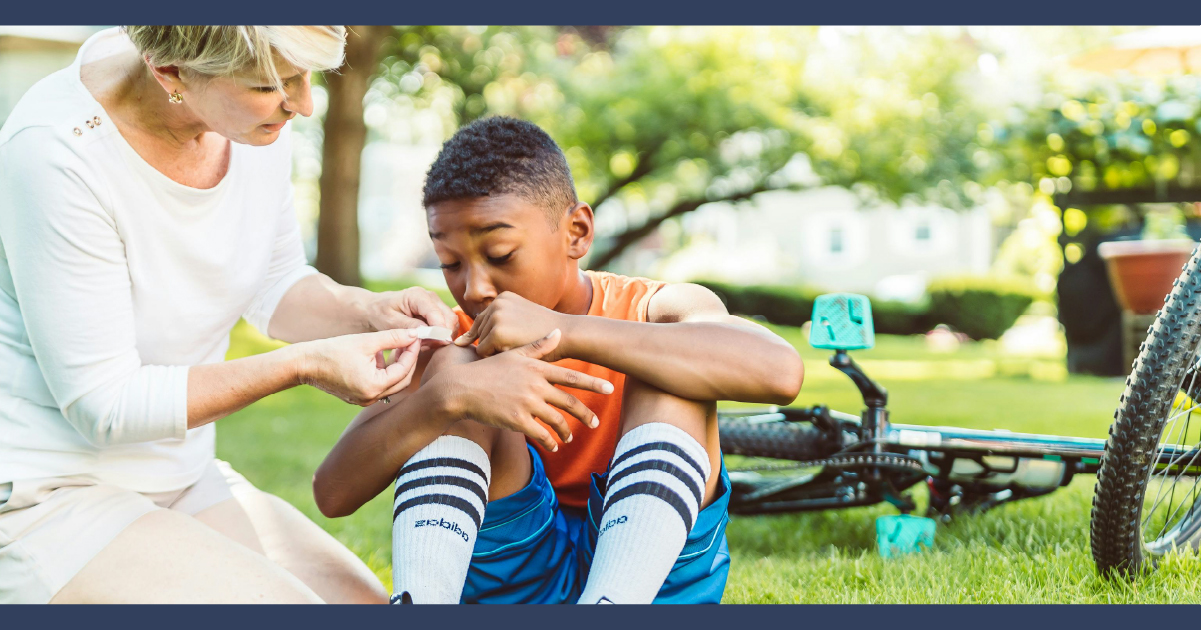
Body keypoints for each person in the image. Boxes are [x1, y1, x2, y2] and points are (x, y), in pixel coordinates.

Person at [0, 25, 466, 604]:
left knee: (365, 606)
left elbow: (273, 282)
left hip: (183, 476)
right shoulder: (56, 151)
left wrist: (367, 310)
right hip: (49, 495)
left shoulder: (247, 120)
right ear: (171, 74)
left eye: (305, 77)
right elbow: (106, 403)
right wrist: (305, 366)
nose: (303, 104)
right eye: (273, 84)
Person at [314, 116, 805, 604]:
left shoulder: (657, 306)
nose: (474, 289)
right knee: (455, 374)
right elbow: (333, 493)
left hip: (651, 578)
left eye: (501, 255)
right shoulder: (456, 341)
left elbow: (780, 372)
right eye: (450, 264)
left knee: (675, 361)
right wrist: (443, 398)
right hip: (517, 576)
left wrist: (567, 333)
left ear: (577, 232)